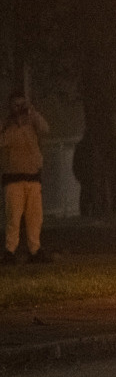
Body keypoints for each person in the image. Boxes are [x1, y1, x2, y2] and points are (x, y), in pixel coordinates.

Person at [1, 90, 52, 264]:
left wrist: (33, 113)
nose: (19, 108)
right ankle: (10, 250)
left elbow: (45, 129)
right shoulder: (6, 124)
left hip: (32, 176)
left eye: (22, 104)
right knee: (13, 217)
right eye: (16, 105)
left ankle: (35, 250)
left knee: (34, 217)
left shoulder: (32, 122)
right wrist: (15, 125)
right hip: (13, 177)